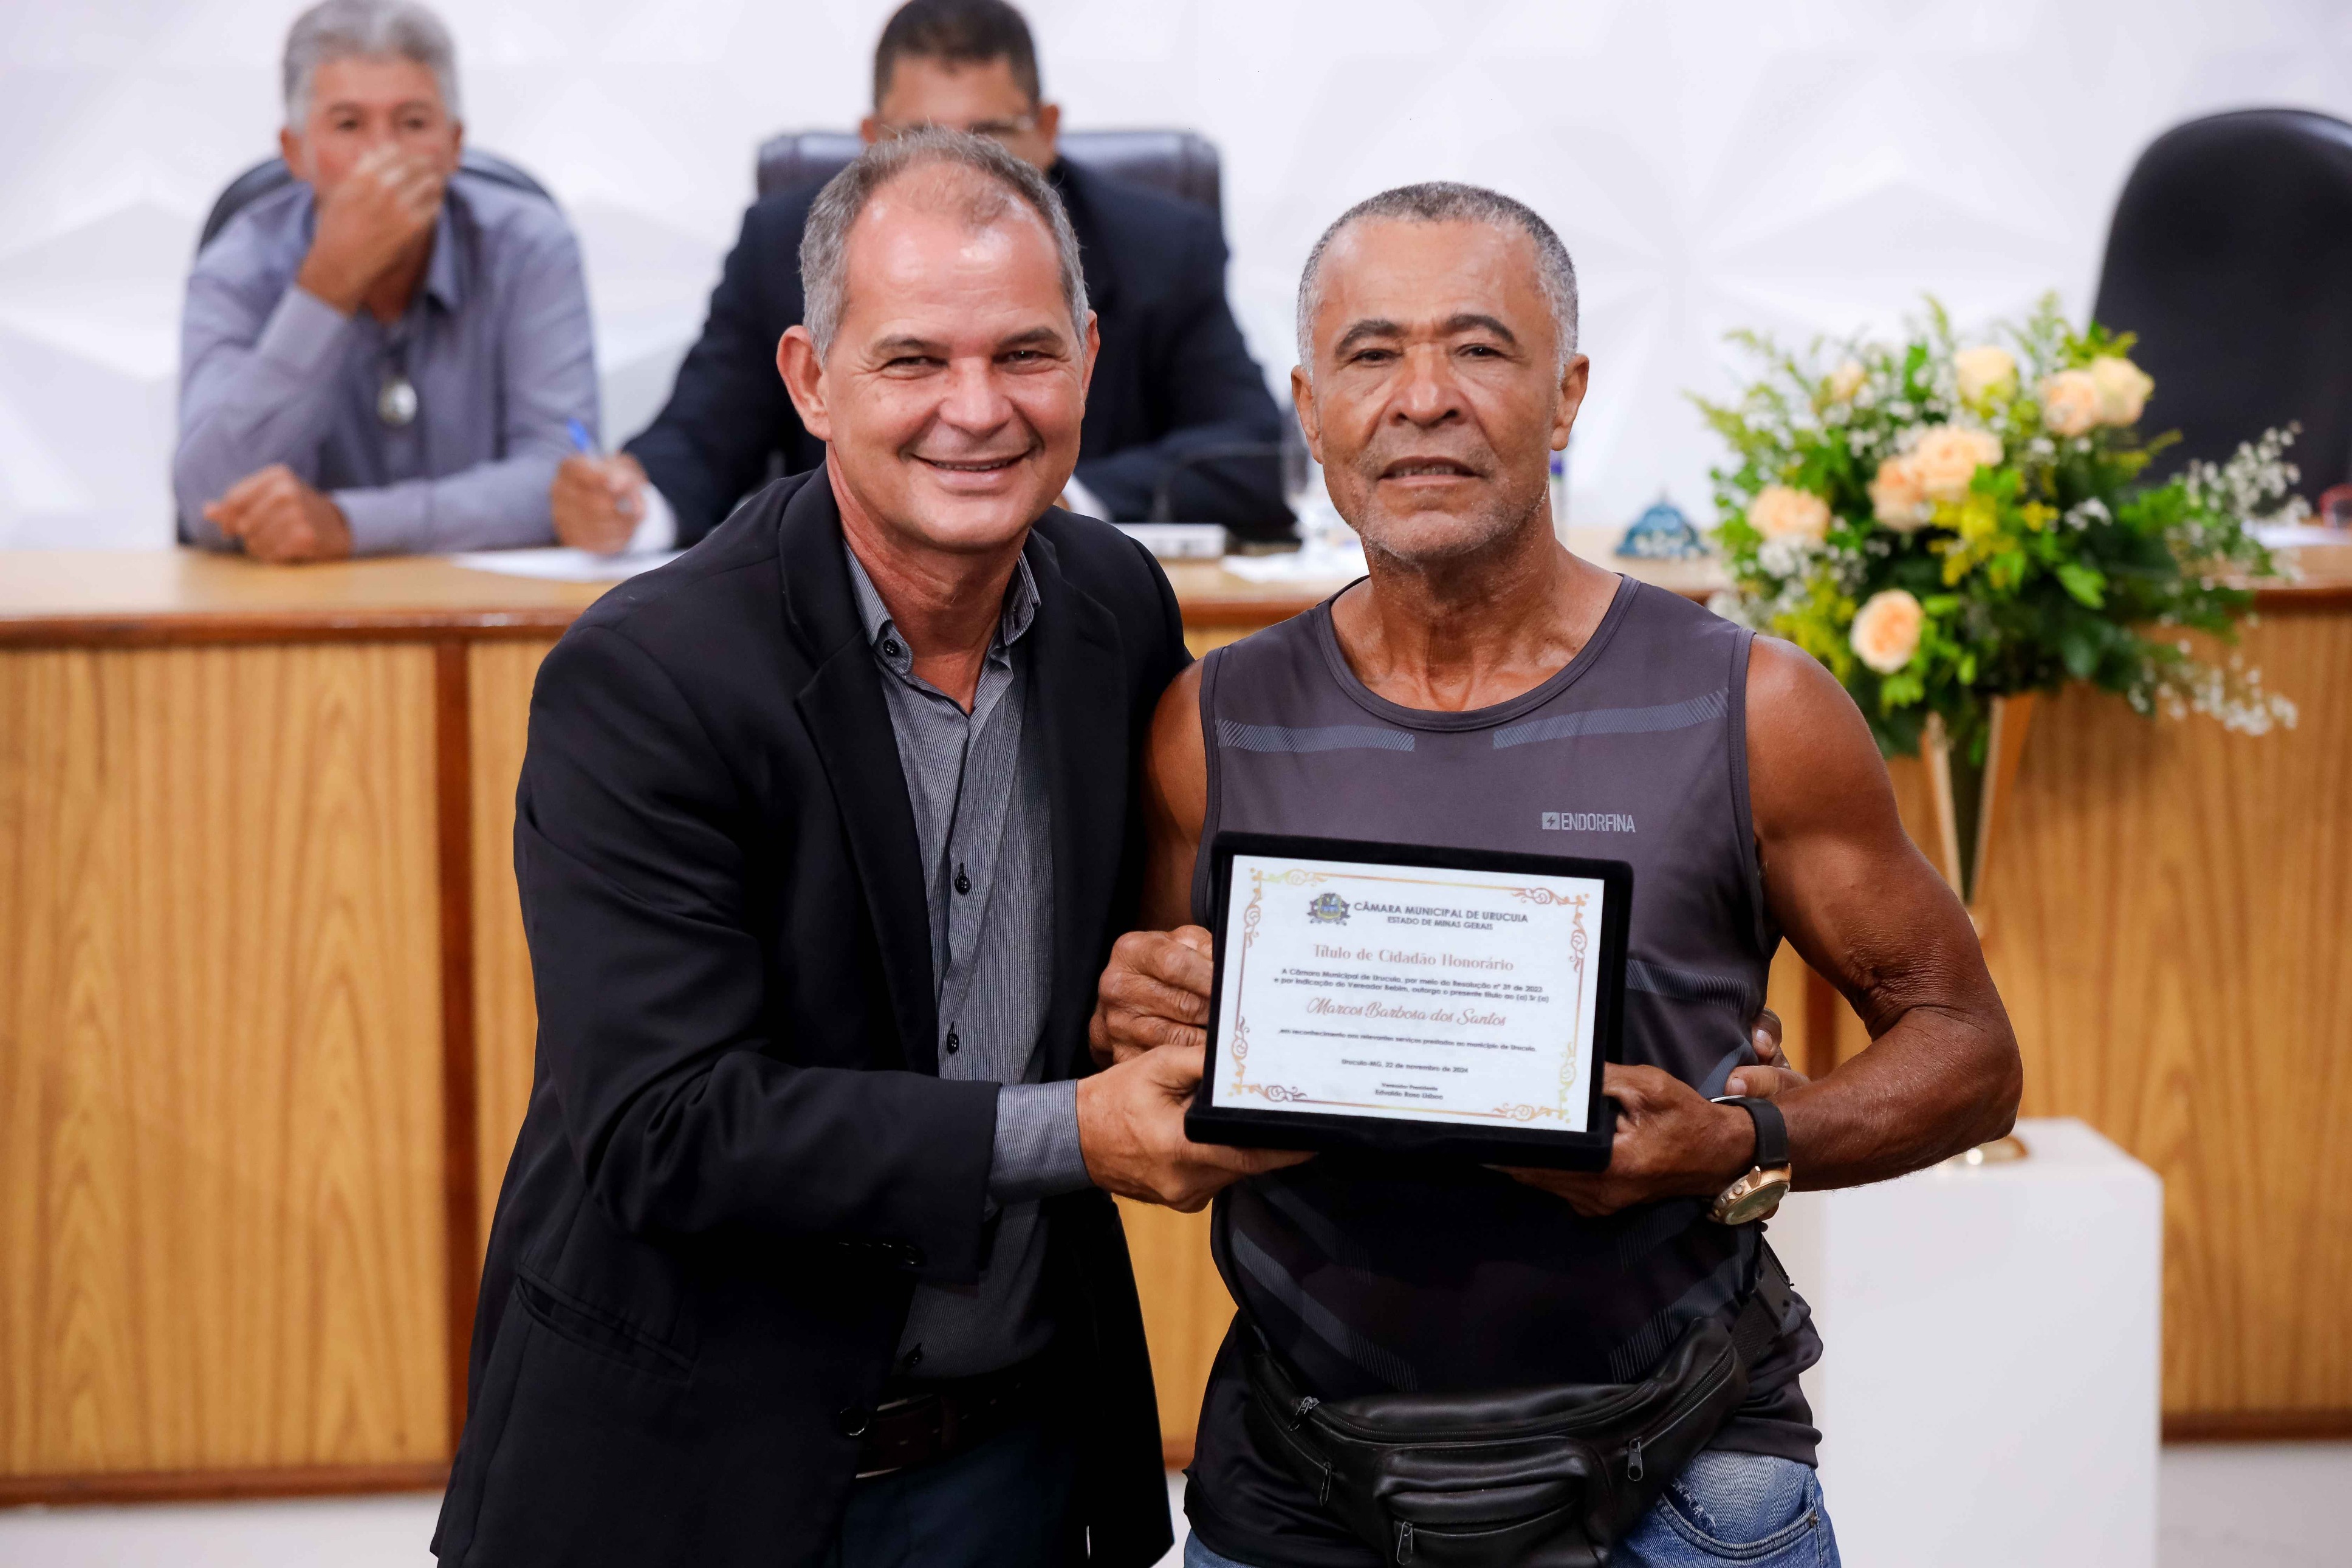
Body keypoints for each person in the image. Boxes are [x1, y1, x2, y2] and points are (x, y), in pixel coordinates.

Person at [1088, 183, 2025, 1568]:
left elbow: (1970, 1051)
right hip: (1300, 1479)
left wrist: (1747, 1142)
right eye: (1370, 354)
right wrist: (1136, 1017)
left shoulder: (1756, 706)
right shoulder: (1208, 722)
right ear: (1309, 408)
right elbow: (1144, 1072)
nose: (1423, 399)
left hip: (1683, 1476)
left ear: (1568, 394)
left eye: (1480, 348)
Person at [435, 131, 1300, 1568]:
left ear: (1088, 360)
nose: (977, 409)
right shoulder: (647, 676)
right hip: (689, 1477)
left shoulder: (1117, 608)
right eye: (913, 360)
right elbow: (666, 1127)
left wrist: (1152, 988)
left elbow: (1106, 955)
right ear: (810, 379)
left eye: (1024, 354)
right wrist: (1077, 1129)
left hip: (1017, 1462)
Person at [551, 0, 1290, 555]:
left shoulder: (1162, 246)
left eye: (992, 136)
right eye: (921, 138)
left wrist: (1062, 496)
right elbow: (700, 438)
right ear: (870, 140)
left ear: (1047, 130)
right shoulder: (784, 246)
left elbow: (1252, 453)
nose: (961, 167)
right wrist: (630, 509)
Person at [174, 0, 597, 560]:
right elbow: (208, 501)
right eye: (348, 124)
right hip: (293, 602)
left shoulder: (531, 247)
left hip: (481, 597)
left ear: (454, 145)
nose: (383, 155)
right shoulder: (237, 267)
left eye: (413, 123)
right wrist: (327, 287)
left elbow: (564, 480)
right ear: (295, 152)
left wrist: (351, 525)